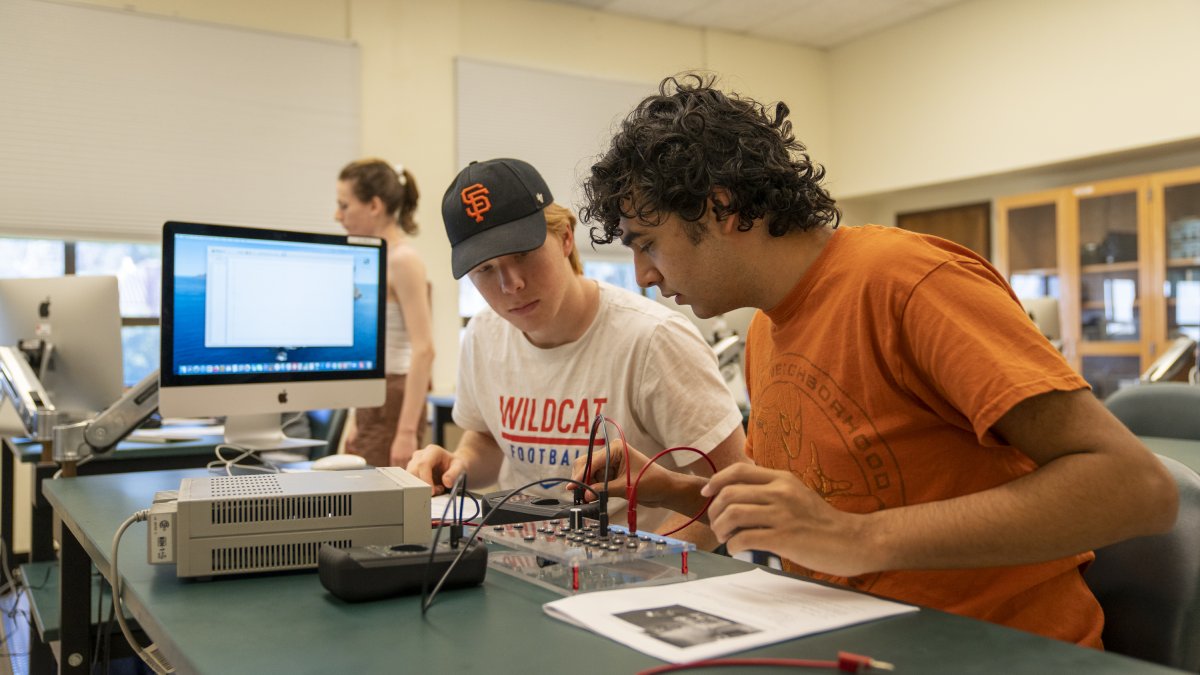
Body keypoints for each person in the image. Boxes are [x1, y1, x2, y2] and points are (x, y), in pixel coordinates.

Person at [574, 74, 1179, 646]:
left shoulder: (908, 283)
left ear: (722, 207)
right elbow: (817, 512)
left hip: (1002, 651)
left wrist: (857, 539)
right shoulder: (765, 330)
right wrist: (672, 489)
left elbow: (1137, 488)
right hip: (856, 640)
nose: (644, 277)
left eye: (648, 243)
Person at [406, 157, 747, 541]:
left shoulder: (653, 340)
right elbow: (487, 440)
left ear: (565, 237)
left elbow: (733, 493)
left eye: (523, 254)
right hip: (519, 559)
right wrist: (458, 465)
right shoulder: (484, 334)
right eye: (486, 269)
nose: (511, 283)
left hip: (634, 575)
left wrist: (649, 566)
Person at [335, 158, 434, 468]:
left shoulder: (403, 260)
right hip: (372, 396)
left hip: (394, 399)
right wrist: (355, 416)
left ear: (374, 205)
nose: (337, 216)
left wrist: (406, 432)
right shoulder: (374, 258)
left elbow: (424, 349)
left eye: (344, 205)